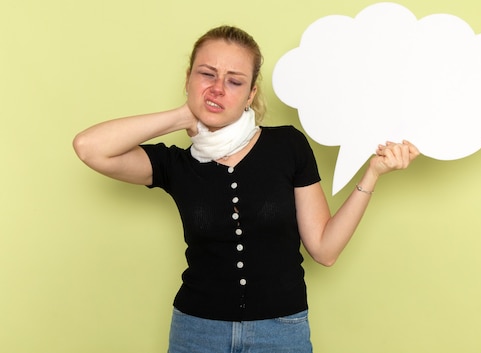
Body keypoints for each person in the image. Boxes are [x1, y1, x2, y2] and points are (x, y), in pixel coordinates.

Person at [73, 25, 419, 353]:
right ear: (189, 79)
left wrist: (372, 174)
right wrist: (183, 116)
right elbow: (90, 147)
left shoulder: (287, 146)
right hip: (197, 331)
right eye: (206, 74)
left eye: (234, 81)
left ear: (251, 94)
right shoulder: (174, 165)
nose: (218, 88)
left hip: (281, 331)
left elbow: (325, 251)